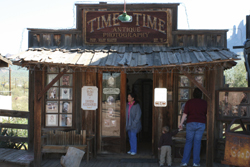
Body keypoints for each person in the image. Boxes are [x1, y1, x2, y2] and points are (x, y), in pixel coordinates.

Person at [179, 88, 207, 167]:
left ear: (193, 94)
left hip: (190, 123)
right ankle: (196, 163)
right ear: (201, 95)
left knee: (188, 142)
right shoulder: (204, 103)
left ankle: (184, 162)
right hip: (201, 124)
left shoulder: (189, 102)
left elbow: (185, 114)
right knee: (197, 143)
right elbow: (207, 114)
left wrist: (181, 123)